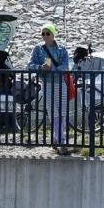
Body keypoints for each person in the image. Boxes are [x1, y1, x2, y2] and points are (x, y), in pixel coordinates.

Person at [28, 24, 72, 152]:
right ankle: (61, 140)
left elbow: (65, 65)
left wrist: (53, 70)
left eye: (48, 33)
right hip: (47, 83)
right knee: (53, 112)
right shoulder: (37, 49)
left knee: (62, 112)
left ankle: (57, 138)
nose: (45, 36)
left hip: (61, 83)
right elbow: (30, 64)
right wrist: (40, 68)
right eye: (43, 34)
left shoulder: (62, 49)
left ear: (53, 34)